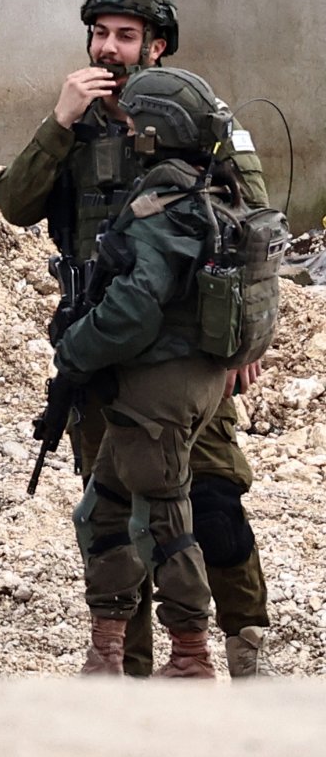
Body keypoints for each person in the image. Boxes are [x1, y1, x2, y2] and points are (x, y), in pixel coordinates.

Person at [0, 0, 274, 676]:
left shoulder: (201, 118)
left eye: (124, 36)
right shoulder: (76, 124)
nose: (108, 49)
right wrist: (58, 124)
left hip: (183, 348)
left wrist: (245, 338)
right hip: (105, 340)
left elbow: (258, 230)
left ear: (157, 45)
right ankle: (133, 670)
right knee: (113, 509)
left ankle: (245, 650)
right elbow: (13, 202)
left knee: (209, 499)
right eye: (99, 33)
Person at [49, 66, 265, 678]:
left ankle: (190, 660)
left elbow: (134, 310)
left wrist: (75, 351)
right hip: (186, 383)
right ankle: (108, 650)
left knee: (168, 521)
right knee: (105, 509)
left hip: (157, 390)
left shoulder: (162, 205)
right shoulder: (206, 188)